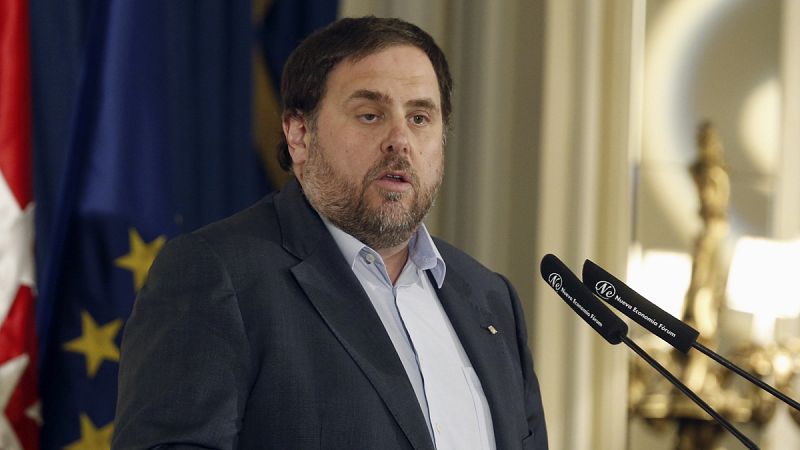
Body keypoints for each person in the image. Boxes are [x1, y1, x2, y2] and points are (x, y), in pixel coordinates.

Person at [113, 16, 548, 450]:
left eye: (419, 118)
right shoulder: (218, 275)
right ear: (299, 135)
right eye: (370, 115)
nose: (400, 140)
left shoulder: (490, 300)